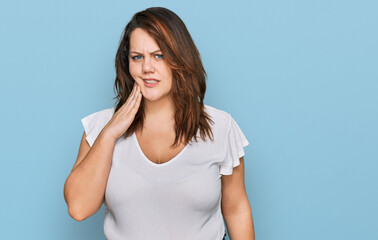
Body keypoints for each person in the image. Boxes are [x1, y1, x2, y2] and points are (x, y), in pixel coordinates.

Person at [64, 7, 255, 240]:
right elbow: (79, 208)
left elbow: (236, 210)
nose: (147, 68)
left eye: (159, 55)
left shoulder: (220, 127)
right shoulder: (99, 127)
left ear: (180, 58)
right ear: (127, 64)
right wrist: (110, 133)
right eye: (137, 57)